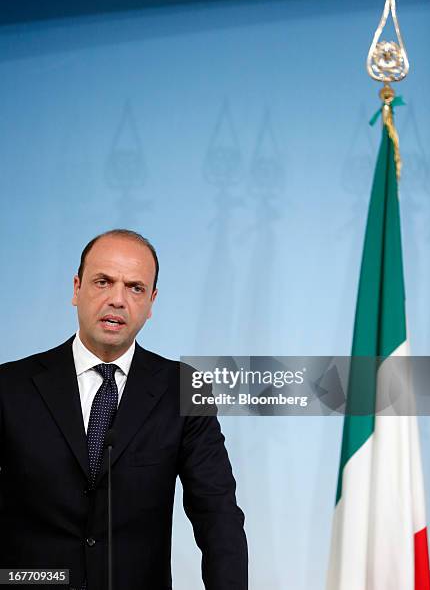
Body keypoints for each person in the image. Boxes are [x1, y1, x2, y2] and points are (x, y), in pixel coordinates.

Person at [0, 229, 248, 590]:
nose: (118, 300)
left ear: (151, 302)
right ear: (76, 288)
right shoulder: (10, 386)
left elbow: (218, 515)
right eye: (103, 281)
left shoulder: (184, 388)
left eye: (135, 288)